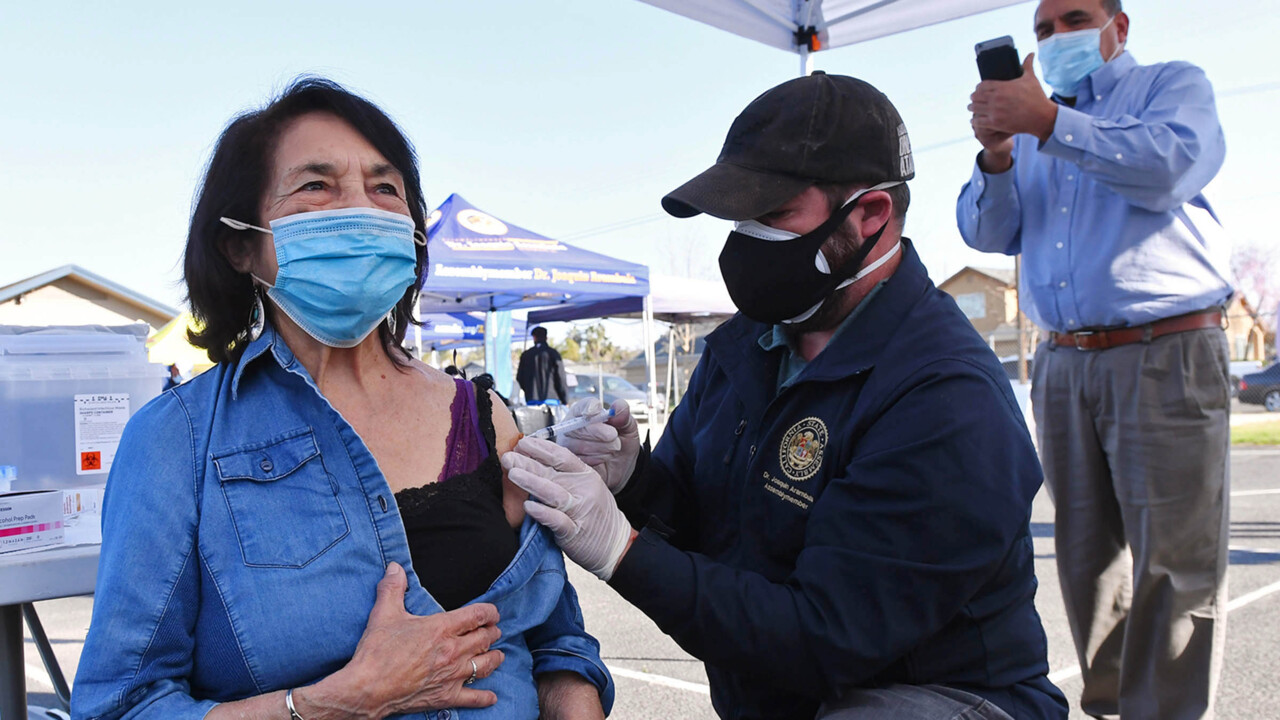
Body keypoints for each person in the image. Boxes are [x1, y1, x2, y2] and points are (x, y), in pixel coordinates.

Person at [502, 72, 1067, 719]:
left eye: (771, 215)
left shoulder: (944, 398)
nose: (745, 241)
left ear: (871, 215)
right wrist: (629, 481)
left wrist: (620, 551)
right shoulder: (744, 347)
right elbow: (701, 521)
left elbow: (825, 636)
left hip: (939, 696)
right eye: (740, 217)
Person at [72, 78, 611, 720]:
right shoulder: (175, 439)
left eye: (386, 188)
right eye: (316, 186)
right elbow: (119, 705)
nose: (362, 209)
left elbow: (558, 640)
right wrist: (332, 704)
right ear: (242, 244)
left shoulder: (481, 414)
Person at [957, 2, 1230, 717]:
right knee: (1086, 560)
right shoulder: (1033, 130)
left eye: (1072, 17)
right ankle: (1112, 704)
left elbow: (1168, 168)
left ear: (1120, 26)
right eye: (1042, 29)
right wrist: (998, 153)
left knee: (1176, 563)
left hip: (1164, 348)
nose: (1054, 38)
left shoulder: (1171, 86)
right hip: (1064, 362)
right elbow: (989, 232)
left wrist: (1048, 123)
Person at [516, 326, 568, 404]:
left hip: (532, 399)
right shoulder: (553, 354)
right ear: (546, 338)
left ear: (534, 338)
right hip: (552, 399)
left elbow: (519, 377)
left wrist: (529, 390)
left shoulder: (526, 355)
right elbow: (560, 377)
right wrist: (564, 399)